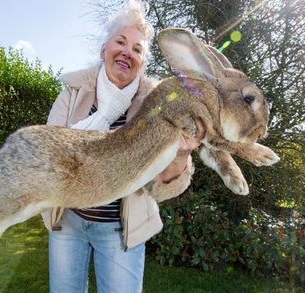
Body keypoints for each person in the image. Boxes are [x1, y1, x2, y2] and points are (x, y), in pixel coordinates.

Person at [41, 1, 205, 292]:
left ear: (142, 64)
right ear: (104, 50)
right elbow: (47, 154)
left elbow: (160, 184)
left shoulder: (157, 107)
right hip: (68, 223)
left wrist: (181, 153)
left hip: (120, 231)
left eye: (137, 49)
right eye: (121, 42)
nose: (128, 52)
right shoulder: (72, 94)